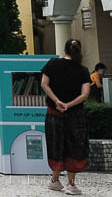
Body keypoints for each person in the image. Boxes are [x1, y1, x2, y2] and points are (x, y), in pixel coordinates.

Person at [41, 38, 91, 195]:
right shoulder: (83, 70)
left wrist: (57, 101)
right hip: (75, 115)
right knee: (74, 146)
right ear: (79, 51)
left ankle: (55, 181)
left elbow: (44, 84)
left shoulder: (52, 64)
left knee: (56, 144)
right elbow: (85, 95)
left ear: (65, 50)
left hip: (54, 113)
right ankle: (71, 184)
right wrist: (69, 105)